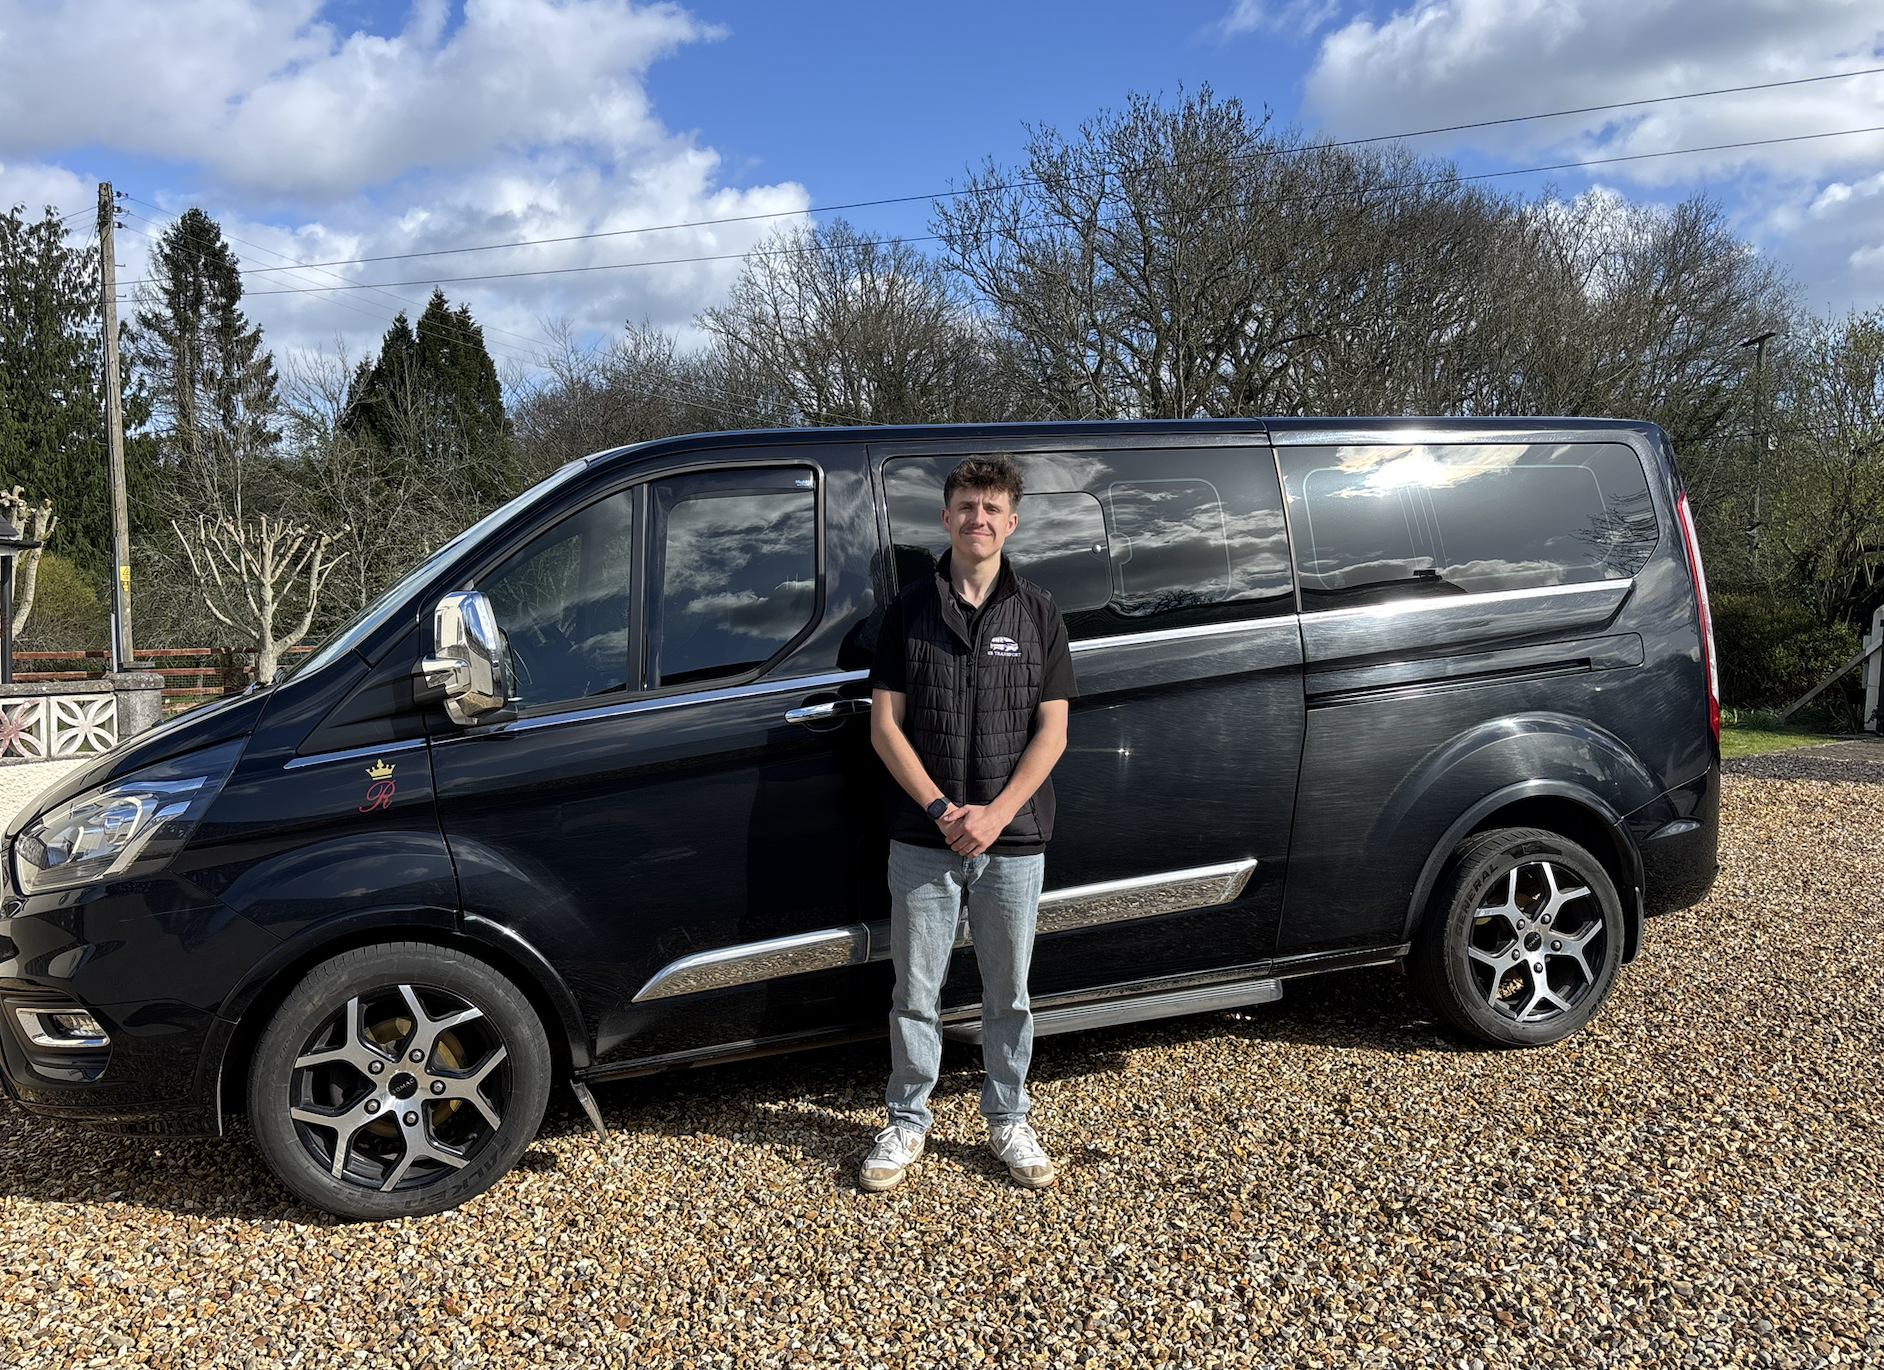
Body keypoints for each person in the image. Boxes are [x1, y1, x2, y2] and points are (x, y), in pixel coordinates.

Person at [860, 453, 1076, 1192]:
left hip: (1013, 842)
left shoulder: (1040, 613)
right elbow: (885, 728)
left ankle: (1007, 1116)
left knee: (1007, 994)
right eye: (966, 506)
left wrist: (997, 814)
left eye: (992, 508)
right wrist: (943, 811)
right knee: (915, 994)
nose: (977, 519)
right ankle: (906, 1119)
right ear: (946, 517)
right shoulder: (906, 613)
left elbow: (1053, 732)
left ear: (1010, 522)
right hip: (924, 838)